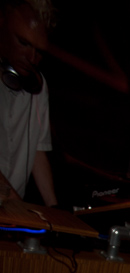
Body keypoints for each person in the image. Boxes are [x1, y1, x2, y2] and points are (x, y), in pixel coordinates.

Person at [0, 0, 57, 205]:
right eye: (23, 43)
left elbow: (38, 152)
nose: (32, 58)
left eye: (39, 51)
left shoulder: (37, 88)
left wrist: (55, 210)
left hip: (12, 215)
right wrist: (18, 206)